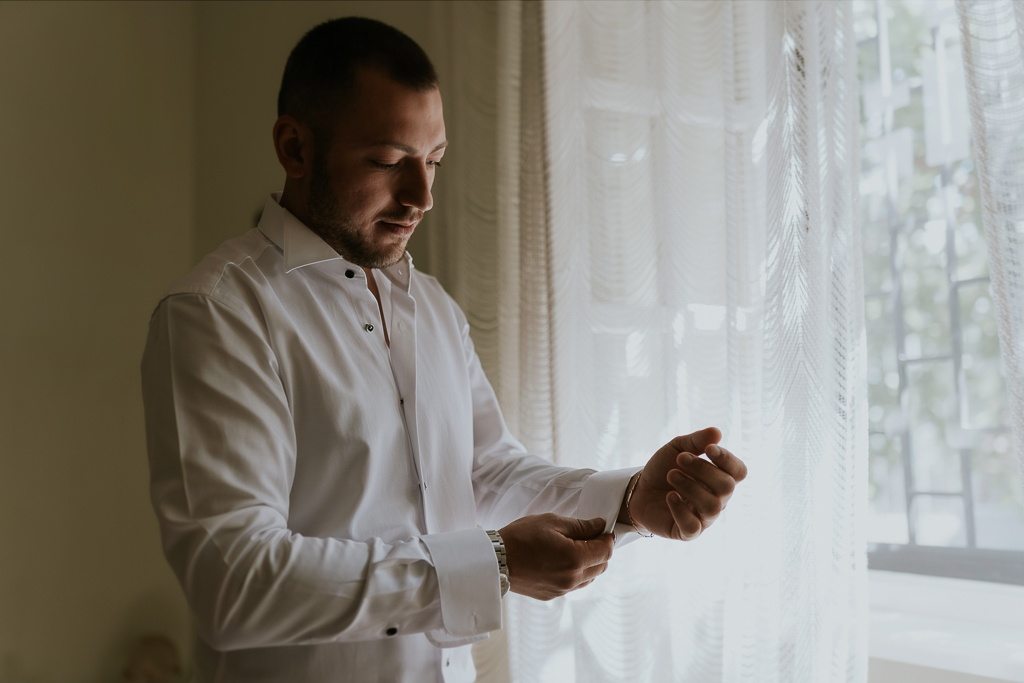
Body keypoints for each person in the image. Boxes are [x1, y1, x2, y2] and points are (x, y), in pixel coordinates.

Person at [140, 16, 747, 683]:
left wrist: (630, 499)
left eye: (432, 161)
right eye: (390, 161)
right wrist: (492, 565)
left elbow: (487, 474)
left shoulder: (431, 306)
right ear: (295, 148)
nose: (422, 197)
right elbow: (235, 582)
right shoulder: (218, 312)